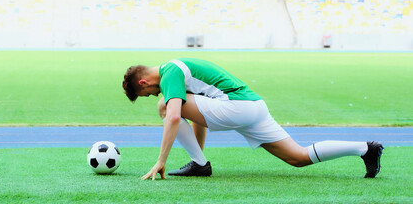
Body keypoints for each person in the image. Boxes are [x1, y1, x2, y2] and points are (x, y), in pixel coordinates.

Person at [122, 58, 384, 180]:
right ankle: (365, 148)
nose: (151, 94)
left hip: (237, 107)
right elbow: (197, 117)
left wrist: (161, 161)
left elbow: (174, 116)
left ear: (144, 82)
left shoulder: (170, 73)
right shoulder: (179, 73)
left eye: (145, 92)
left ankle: (200, 164)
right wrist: (197, 157)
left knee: (165, 107)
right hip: (254, 107)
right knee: (298, 158)